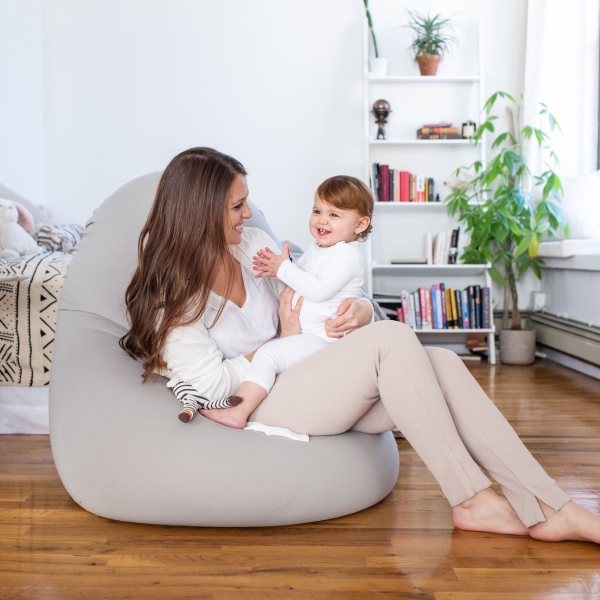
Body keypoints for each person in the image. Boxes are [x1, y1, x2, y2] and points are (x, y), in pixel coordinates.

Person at [120, 146, 600, 544]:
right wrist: (280, 341)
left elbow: (330, 290)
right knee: (392, 343)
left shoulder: (251, 247)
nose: (249, 213)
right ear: (200, 212)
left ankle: (549, 504)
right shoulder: (173, 292)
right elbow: (207, 384)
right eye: (237, 206)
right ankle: (472, 497)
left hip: (310, 371)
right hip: (260, 397)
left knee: (443, 363)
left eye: (247, 201)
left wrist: (364, 312)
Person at [181, 175, 372, 428]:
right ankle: (240, 408)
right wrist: (282, 268)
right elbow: (298, 277)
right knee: (270, 354)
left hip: (324, 339)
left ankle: (239, 410)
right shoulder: (321, 248)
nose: (322, 220)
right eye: (317, 211)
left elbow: (315, 288)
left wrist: (365, 309)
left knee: (269, 354)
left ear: (360, 225)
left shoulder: (346, 254)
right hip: (308, 340)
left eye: (334, 215)